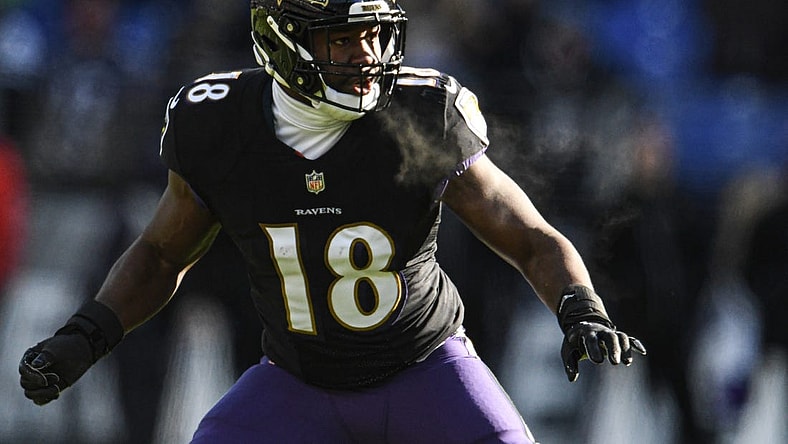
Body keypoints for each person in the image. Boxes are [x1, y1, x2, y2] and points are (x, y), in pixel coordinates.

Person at [19, 1, 646, 442]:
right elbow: (161, 256)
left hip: (425, 369)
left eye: (373, 35)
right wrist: (85, 336)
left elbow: (528, 236)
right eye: (342, 39)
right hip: (297, 384)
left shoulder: (419, 113)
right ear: (283, 41)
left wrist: (580, 307)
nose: (365, 55)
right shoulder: (220, 123)